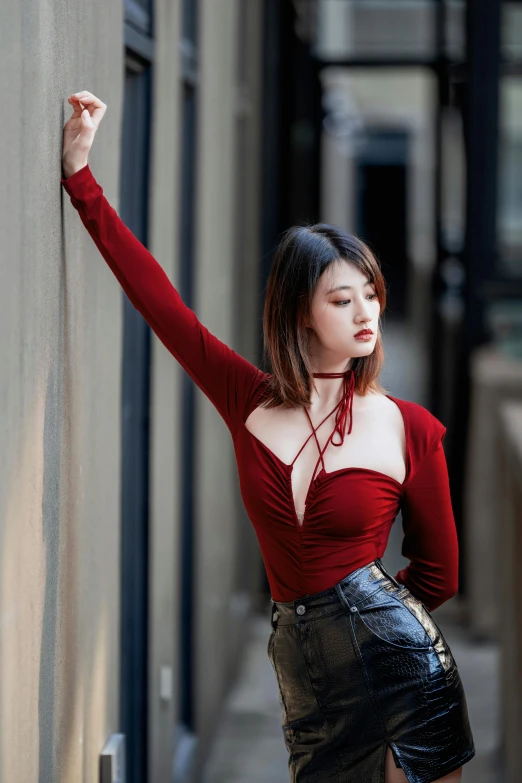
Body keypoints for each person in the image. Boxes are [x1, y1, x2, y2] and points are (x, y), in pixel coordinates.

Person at [61, 91, 476, 783]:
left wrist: (363, 625)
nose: (366, 311)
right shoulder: (246, 398)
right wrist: (81, 178)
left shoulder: (410, 427)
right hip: (307, 687)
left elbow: (440, 576)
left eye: (371, 294)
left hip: (406, 677)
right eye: (342, 300)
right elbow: (159, 301)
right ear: (301, 314)